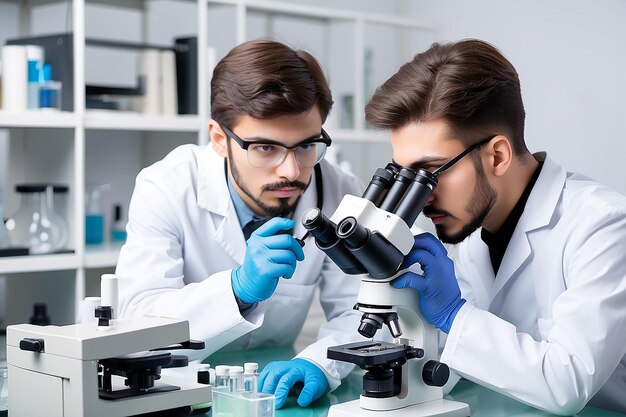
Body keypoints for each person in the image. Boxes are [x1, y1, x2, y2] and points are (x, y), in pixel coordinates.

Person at [364, 39, 626, 415]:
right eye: (406, 176)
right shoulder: (471, 228)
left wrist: (454, 315)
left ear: (498, 155)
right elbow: (458, 363)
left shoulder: (603, 226)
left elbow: (567, 383)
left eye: (430, 174)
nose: (420, 197)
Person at [115, 39, 366, 409]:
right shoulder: (166, 187)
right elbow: (137, 323)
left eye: (306, 145)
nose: (292, 171)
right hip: (178, 392)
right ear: (219, 138)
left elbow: (359, 311)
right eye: (266, 148)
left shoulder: (340, 191)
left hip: (276, 397)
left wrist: (318, 362)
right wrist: (237, 289)